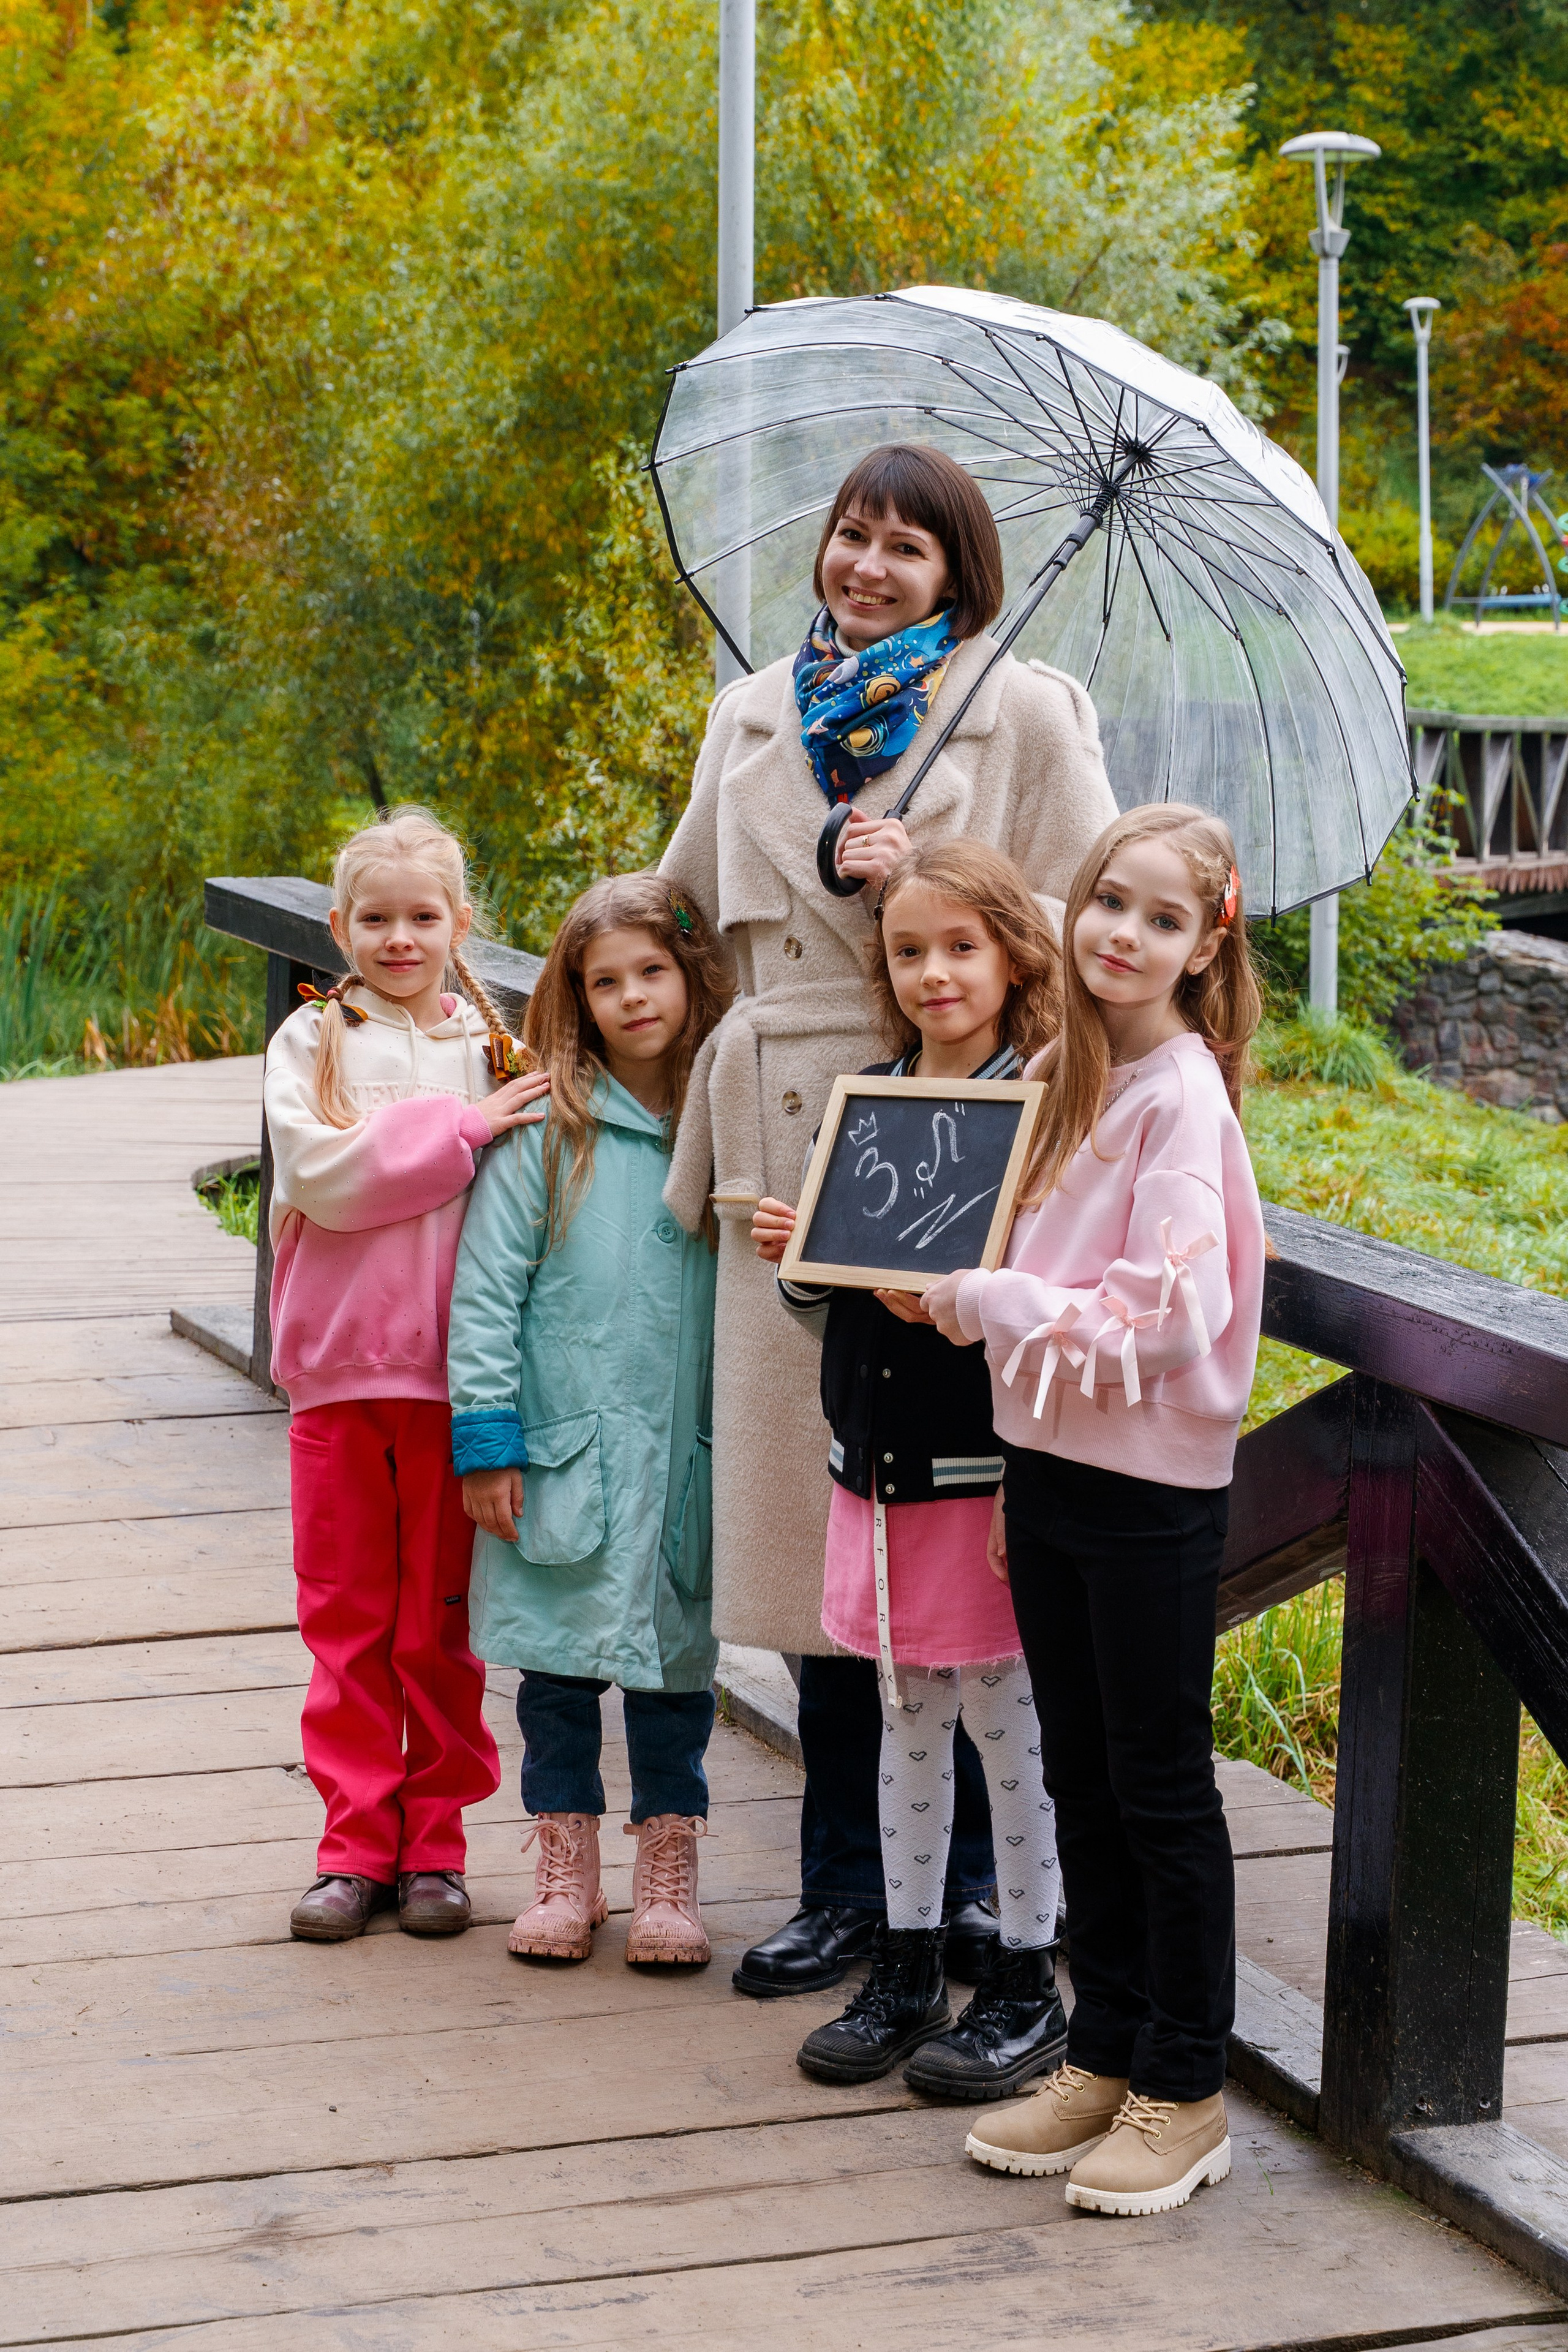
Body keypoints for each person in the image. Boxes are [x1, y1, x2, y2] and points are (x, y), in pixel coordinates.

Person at [660, 442, 1120, 1997]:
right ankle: (847, 1897)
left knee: (945, 1545)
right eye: (850, 538)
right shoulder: (751, 708)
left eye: (904, 550)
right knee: (821, 1557)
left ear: (957, 572)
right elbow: (672, 922)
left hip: (949, 1142)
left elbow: (1102, 933)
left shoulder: (1025, 709)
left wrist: (932, 877)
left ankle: (986, 1906)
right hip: (778, 1145)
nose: (866, 567)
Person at [920, 803, 1265, 2216]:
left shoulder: (1180, 1098)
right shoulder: (1066, 1070)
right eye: (1105, 902)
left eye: (1159, 918)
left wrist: (986, 1303)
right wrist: (1015, 1464)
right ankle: (1106, 2044)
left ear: (1202, 944)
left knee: (1157, 1787)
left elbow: (1179, 1316)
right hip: (1056, 1473)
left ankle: (1185, 2088)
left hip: (1148, 1490)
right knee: (1075, 1774)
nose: (1121, 933)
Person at [752, 842, 1069, 2098]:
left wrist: (945, 1302)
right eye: (907, 951)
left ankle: (1025, 1977)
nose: (932, 972)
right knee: (903, 1724)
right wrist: (801, 1256)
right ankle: (905, 1964)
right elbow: (825, 1303)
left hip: (973, 1474)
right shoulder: (871, 1092)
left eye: (958, 947)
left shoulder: (1031, 1111)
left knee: (1006, 1731)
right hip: (868, 1470)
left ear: (1009, 958)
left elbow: (1034, 1298)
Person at [268, 804, 552, 1944]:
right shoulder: (312, 1043)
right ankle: (351, 1847)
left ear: (459, 923)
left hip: (452, 1381)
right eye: (375, 918)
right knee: (344, 1619)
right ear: (340, 925)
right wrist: (460, 1130)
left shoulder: (496, 1050)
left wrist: (480, 1115)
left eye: (422, 916)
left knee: (440, 1624)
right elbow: (324, 1177)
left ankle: (434, 1842)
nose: (399, 937)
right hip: (339, 1374)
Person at [447, 875, 734, 1969]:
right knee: (557, 1679)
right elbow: (484, 1292)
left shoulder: (726, 1122)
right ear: (577, 997)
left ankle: (669, 1865)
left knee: (674, 1678)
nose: (631, 997)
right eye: (604, 981)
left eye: (651, 971)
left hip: (682, 1460)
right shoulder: (550, 1130)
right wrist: (489, 1441)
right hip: (569, 1449)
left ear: (691, 976)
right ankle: (565, 1863)